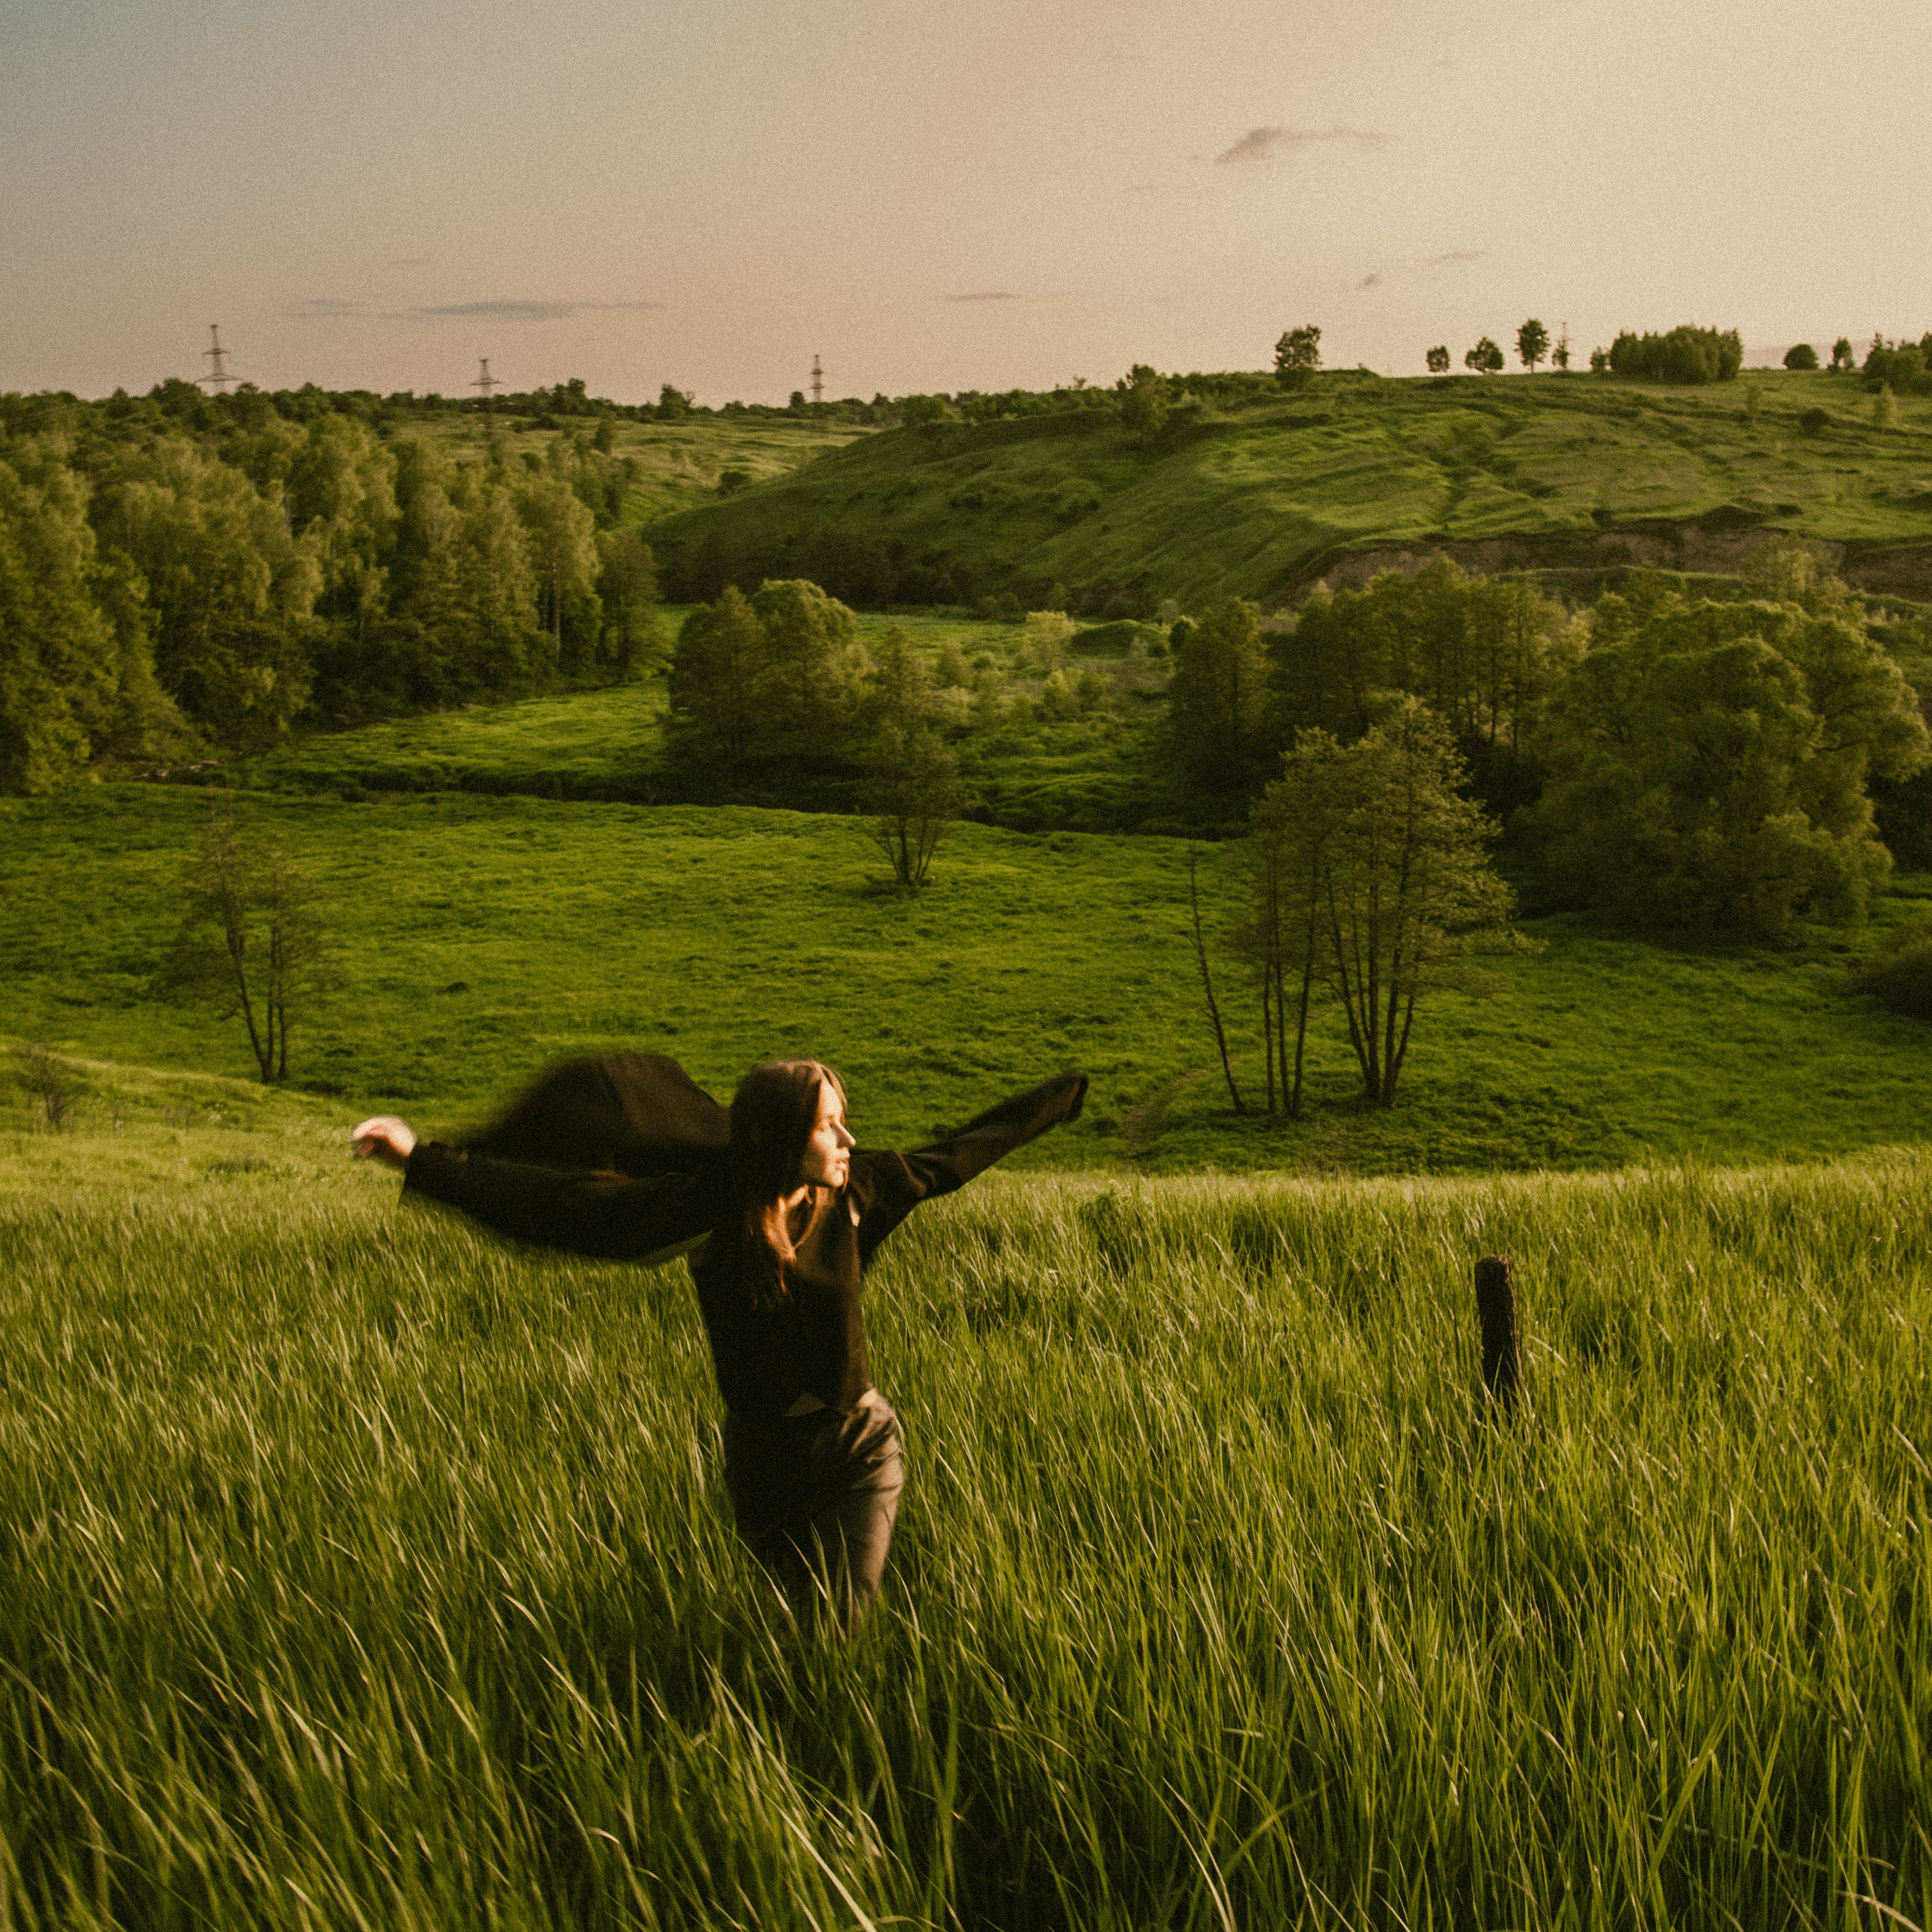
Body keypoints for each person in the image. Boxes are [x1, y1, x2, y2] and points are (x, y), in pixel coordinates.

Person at [352, 1056, 1086, 1631]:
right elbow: (566, 1208)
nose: (849, 1141)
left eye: (845, 1124)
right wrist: (419, 1159)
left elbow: (956, 1157)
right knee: (785, 1630)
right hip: (763, 1461)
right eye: (830, 1126)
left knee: (833, 1631)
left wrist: (1057, 1099)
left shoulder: (858, 1192)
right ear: (780, 1136)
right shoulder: (710, 1210)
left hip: (858, 1447)